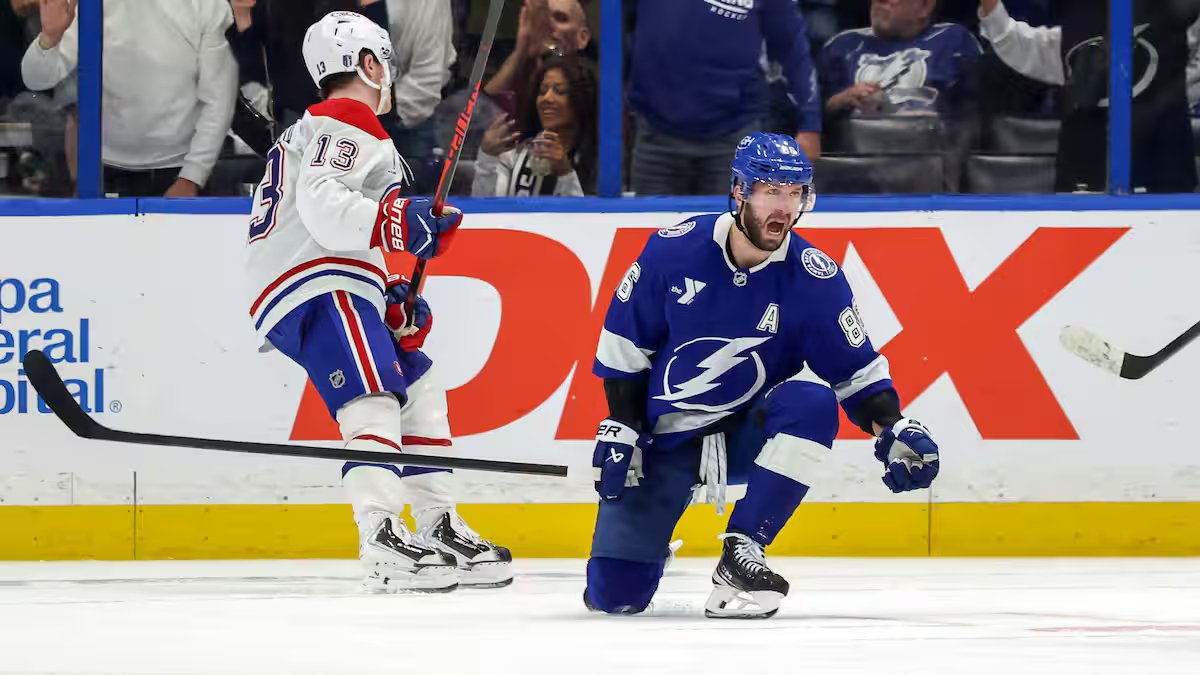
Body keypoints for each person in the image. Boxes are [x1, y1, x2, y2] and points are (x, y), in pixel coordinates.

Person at [584, 133, 940, 618]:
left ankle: (743, 550)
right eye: (772, 190)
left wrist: (893, 426)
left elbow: (856, 375)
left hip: (743, 433)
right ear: (739, 191)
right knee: (613, 598)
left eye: (795, 193)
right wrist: (623, 425)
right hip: (662, 443)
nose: (785, 207)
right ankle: (650, 539)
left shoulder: (814, 278)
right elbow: (624, 350)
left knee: (811, 404)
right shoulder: (672, 252)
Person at [243, 12, 510, 592]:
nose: (389, 72)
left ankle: (437, 523)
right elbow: (322, 206)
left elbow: (331, 220)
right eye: (384, 60)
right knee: (372, 393)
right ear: (369, 64)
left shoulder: (328, 125)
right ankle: (382, 535)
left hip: (330, 275)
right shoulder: (347, 116)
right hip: (314, 280)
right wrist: (399, 221)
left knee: (416, 382)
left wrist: (389, 294)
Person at [20, 0, 237, 197]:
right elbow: (36, 80)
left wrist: (191, 178)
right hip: (106, 174)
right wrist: (49, 38)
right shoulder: (90, 6)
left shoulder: (206, 5)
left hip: (180, 170)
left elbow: (219, 100)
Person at [978, 0, 1199, 193]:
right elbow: (1011, 39)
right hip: (1084, 173)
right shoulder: (1074, 25)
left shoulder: (1175, 12)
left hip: (1163, 172)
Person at [628, 0, 821, 196]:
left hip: (734, 136)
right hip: (657, 133)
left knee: (732, 225)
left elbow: (793, 51)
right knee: (654, 226)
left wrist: (810, 124)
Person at [821, 0, 982, 116]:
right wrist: (840, 100)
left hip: (929, 154)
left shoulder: (953, 41)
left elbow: (975, 114)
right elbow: (810, 118)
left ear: (924, 6)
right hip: (854, 154)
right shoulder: (842, 46)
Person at [472, 56, 597, 196]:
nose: (547, 99)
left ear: (582, 99)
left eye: (560, 91)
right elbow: (488, 209)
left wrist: (565, 173)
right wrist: (487, 158)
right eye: (542, 91)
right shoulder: (516, 156)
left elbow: (592, 216)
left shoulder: (597, 161)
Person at [484, 0, 591, 117]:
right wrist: (520, 52)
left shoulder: (593, 89)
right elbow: (477, 116)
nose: (548, 27)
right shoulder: (521, 81)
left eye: (561, 18)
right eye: (543, 20)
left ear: (582, 38)